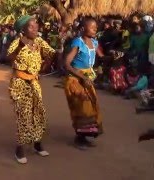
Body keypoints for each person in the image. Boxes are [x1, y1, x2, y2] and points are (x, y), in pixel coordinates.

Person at [7, 15, 55, 164]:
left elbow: (51, 53)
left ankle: (37, 144)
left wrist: (48, 63)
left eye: (36, 26)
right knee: (24, 116)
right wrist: (21, 45)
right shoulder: (17, 43)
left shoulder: (39, 42)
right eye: (31, 26)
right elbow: (9, 58)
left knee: (38, 113)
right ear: (23, 29)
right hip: (20, 83)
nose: (35, 29)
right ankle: (19, 149)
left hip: (34, 83)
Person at [64, 18, 105, 150]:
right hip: (75, 80)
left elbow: (101, 57)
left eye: (96, 27)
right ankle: (79, 138)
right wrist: (82, 76)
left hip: (87, 80)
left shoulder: (94, 42)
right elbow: (67, 64)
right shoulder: (78, 42)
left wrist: (113, 56)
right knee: (82, 109)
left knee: (91, 107)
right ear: (83, 28)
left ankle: (83, 137)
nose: (95, 29)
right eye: (92, 27)